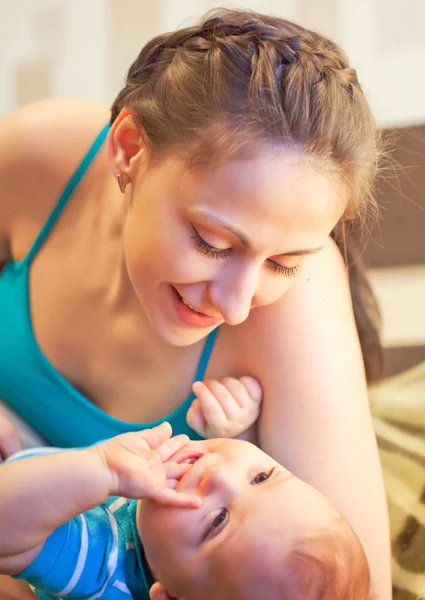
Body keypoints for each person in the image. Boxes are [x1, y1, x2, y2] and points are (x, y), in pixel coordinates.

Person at [0, 7, 391, 598]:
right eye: (213, 242)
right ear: (129, 149)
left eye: (285, 262)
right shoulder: (35, 157)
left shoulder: (296, 313)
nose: (236, 307)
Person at [0, 423, 371, 599]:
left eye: (218, 521)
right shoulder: (173, 548)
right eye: (261, 476)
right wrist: (241, 428)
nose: (220, 473)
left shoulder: (102, 566)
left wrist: (104, 470)